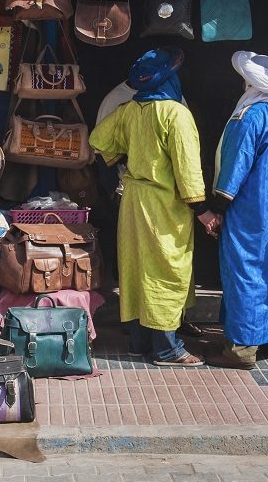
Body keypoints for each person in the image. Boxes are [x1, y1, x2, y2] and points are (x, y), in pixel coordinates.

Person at [89, 48, 207, 366]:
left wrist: (128, 158)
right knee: (166, 271)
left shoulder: (129, 110)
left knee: (136, 271)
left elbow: (99, 140)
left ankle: (140, 343)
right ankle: (167, 348)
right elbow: (188, 170)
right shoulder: (176, 114)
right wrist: (202, 209)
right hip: (164, 205)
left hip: (133, 200)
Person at [198, 51, 268, 370]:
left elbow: (236, 165)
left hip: (252, 212)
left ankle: (243, 348)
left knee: (247, 269)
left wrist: (219, 206)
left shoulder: (250, 116)